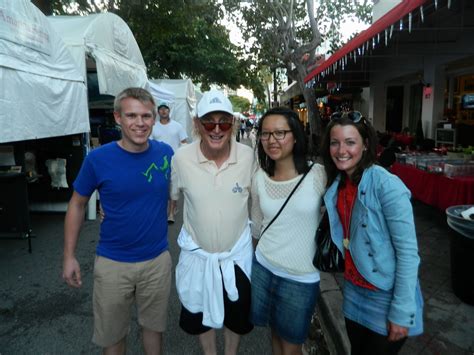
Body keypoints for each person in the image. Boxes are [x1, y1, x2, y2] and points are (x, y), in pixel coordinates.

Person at [62, 87, 173, 355]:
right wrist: (69, 256)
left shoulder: (166, 154)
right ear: (118, 118)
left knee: (154, 331)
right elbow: (77, 204)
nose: (140, 123)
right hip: (112, 263)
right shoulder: (98, 159)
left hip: (157, 261)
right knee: (112, 337)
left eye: (146, 116)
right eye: (132, 115)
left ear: (154, 119)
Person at [320, 111, 423, 355]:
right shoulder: (338, 182)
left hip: (384, 295)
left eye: (350, 142)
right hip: (353, 291)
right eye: (335, 142)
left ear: (365, 145)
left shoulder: (386, 185)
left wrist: (401, 309)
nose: (341, 150)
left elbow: (408, 252)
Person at [170, 89, 256, 355]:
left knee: (237, 317)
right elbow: (167, 199)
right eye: (209, 122)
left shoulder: (248, 156)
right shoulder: (181, 158)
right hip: (199, 256)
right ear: (197, 124)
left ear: (232, 124)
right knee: (200, 310)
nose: (216, 129)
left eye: (223, 122)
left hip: (237, 255)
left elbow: (262, 198)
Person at [250, 107, 327, 355]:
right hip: (264, 267)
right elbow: (257, 226)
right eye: (266, 134)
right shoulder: (259, 177)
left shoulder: (318, 174)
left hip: (301, 278)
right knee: (274, 333)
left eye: (280, 133)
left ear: (295, 136)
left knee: (292, 345)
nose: (272, 140)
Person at [150, 101, 188, 224]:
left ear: (169, 110)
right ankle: (163, 210)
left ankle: (171, 213)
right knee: (160, 188)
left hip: (174, 162)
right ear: (158, 111)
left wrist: (182, 157)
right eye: (161, 109)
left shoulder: (177, 126)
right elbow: (149, 144)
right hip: (158, 164)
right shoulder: (153, 127)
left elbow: (184, 142)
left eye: (165, 108)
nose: (163, 111)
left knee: (173, 188)